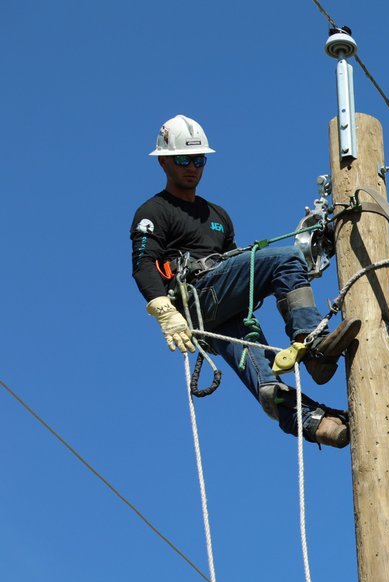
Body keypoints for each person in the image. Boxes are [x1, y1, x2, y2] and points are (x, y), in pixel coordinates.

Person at [131, 115, 358, 448]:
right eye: (184, 159)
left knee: (264, 379)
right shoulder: (154, 211)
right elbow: (143, 264)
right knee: (286, 259)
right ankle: (312, 345)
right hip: (197, 298)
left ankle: (312, 421)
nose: (193, 167)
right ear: (164, 162)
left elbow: (235, 264)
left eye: (199, 160)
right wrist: (163, 308)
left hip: (224, 305)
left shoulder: (218, 216)